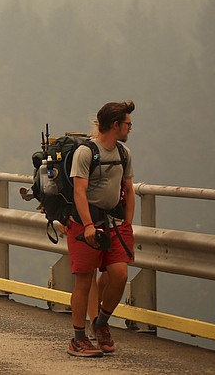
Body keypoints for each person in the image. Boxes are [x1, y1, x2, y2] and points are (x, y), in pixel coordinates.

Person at [66, 100, 136, 358]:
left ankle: (101, 323)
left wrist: (127, 223)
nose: (131, 128)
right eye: (128, 124)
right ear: (115, 125)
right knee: (84, 281)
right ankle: (78, 338)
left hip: (116, 225)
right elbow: (79, 191)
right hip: (87, 225)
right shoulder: (86, 153)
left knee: (119, 275)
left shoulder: (124, 153)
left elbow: (129, 189)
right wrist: (86, 226)